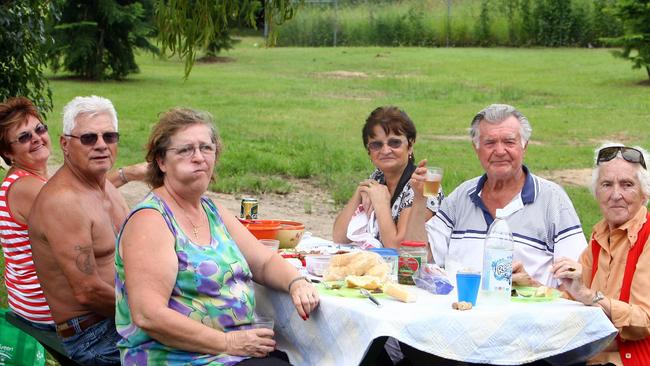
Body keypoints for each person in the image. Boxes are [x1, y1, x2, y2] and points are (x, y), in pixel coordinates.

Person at [115, 107, 319, 365]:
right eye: (186, 150)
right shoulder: (151, 220)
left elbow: (263, 261)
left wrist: (296, 282)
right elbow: (149, 315)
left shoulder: (210, 210)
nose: (199, 157)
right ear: (161, 161)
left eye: (206, 148)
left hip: (231, 351)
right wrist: (228, 343)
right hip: (178, 357)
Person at [0, 96, 144, 332]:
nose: (36, 139)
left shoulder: (32, 180)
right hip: (44, 307)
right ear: (9, 152)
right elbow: (78, 201)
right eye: (24, 137)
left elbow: (86, 191)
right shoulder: (27, 188)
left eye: (39, 129)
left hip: (30, 298)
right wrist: (129, 173)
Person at [408, 103, 587, 287]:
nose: (500, 151)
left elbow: (578, 278)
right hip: (460, 309)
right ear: (476, 148)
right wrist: (419, 200)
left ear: (524, 146)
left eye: (509, 142)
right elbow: (421, 256)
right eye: (490, 143)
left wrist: (532, 286)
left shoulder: (553, 200)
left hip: (528, 314)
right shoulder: (461, 197)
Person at [28, 95, 132, 365]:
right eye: (88, 138)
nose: (101, 145)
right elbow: (88, 291)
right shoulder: (62, 202)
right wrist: (153, 312)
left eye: (109, 136)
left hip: (121, 317)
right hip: (93, 334)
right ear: (65, 144)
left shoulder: (103, 185)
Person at [554, 143, 650, 366]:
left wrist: (591, 297)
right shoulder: (599, 238)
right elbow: (572, 298)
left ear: (644, 194)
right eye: (607, 184)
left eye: (627, 185)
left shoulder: (647, 238)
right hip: (590, 356)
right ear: (597, 193)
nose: (616, 195)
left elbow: (645, 320)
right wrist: (527, 285)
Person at [332, 106, 443, 249]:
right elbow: (339, 236)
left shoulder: (422, 185)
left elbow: (399, 248)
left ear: (410, 146)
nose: (385, 150)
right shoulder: (378, 177)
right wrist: (360, 190)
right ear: (369, 151)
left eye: (394, 143)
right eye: (376, 145)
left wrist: (381, 204)